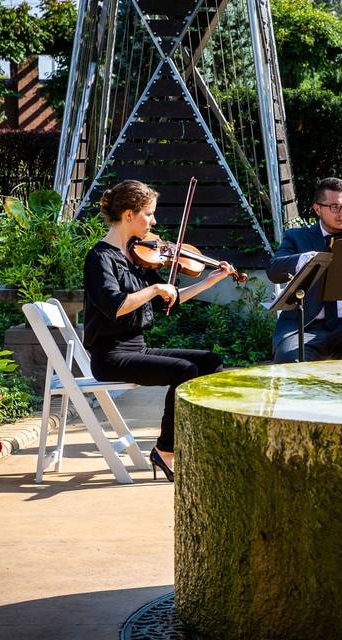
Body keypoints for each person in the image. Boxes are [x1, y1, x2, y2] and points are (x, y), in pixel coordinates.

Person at [83, 180, 236, 482]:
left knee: (211, 362)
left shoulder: (138, 255)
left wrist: (210, 281)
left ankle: (194, 441)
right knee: (185, 371)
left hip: (136, 348)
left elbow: (171, 298)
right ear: (129, 215)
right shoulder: (100, 258)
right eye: (149, 214)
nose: (154, 222)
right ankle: (166, 449)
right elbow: (116, 306)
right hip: (111, 356)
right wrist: (154, 288)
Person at [267, 177, 342, 363]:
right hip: (307, 326)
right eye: (335, 207)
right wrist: (306, 259)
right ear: (317, 209)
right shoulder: (297, 238)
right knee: (289, 358)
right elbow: (274, 270)